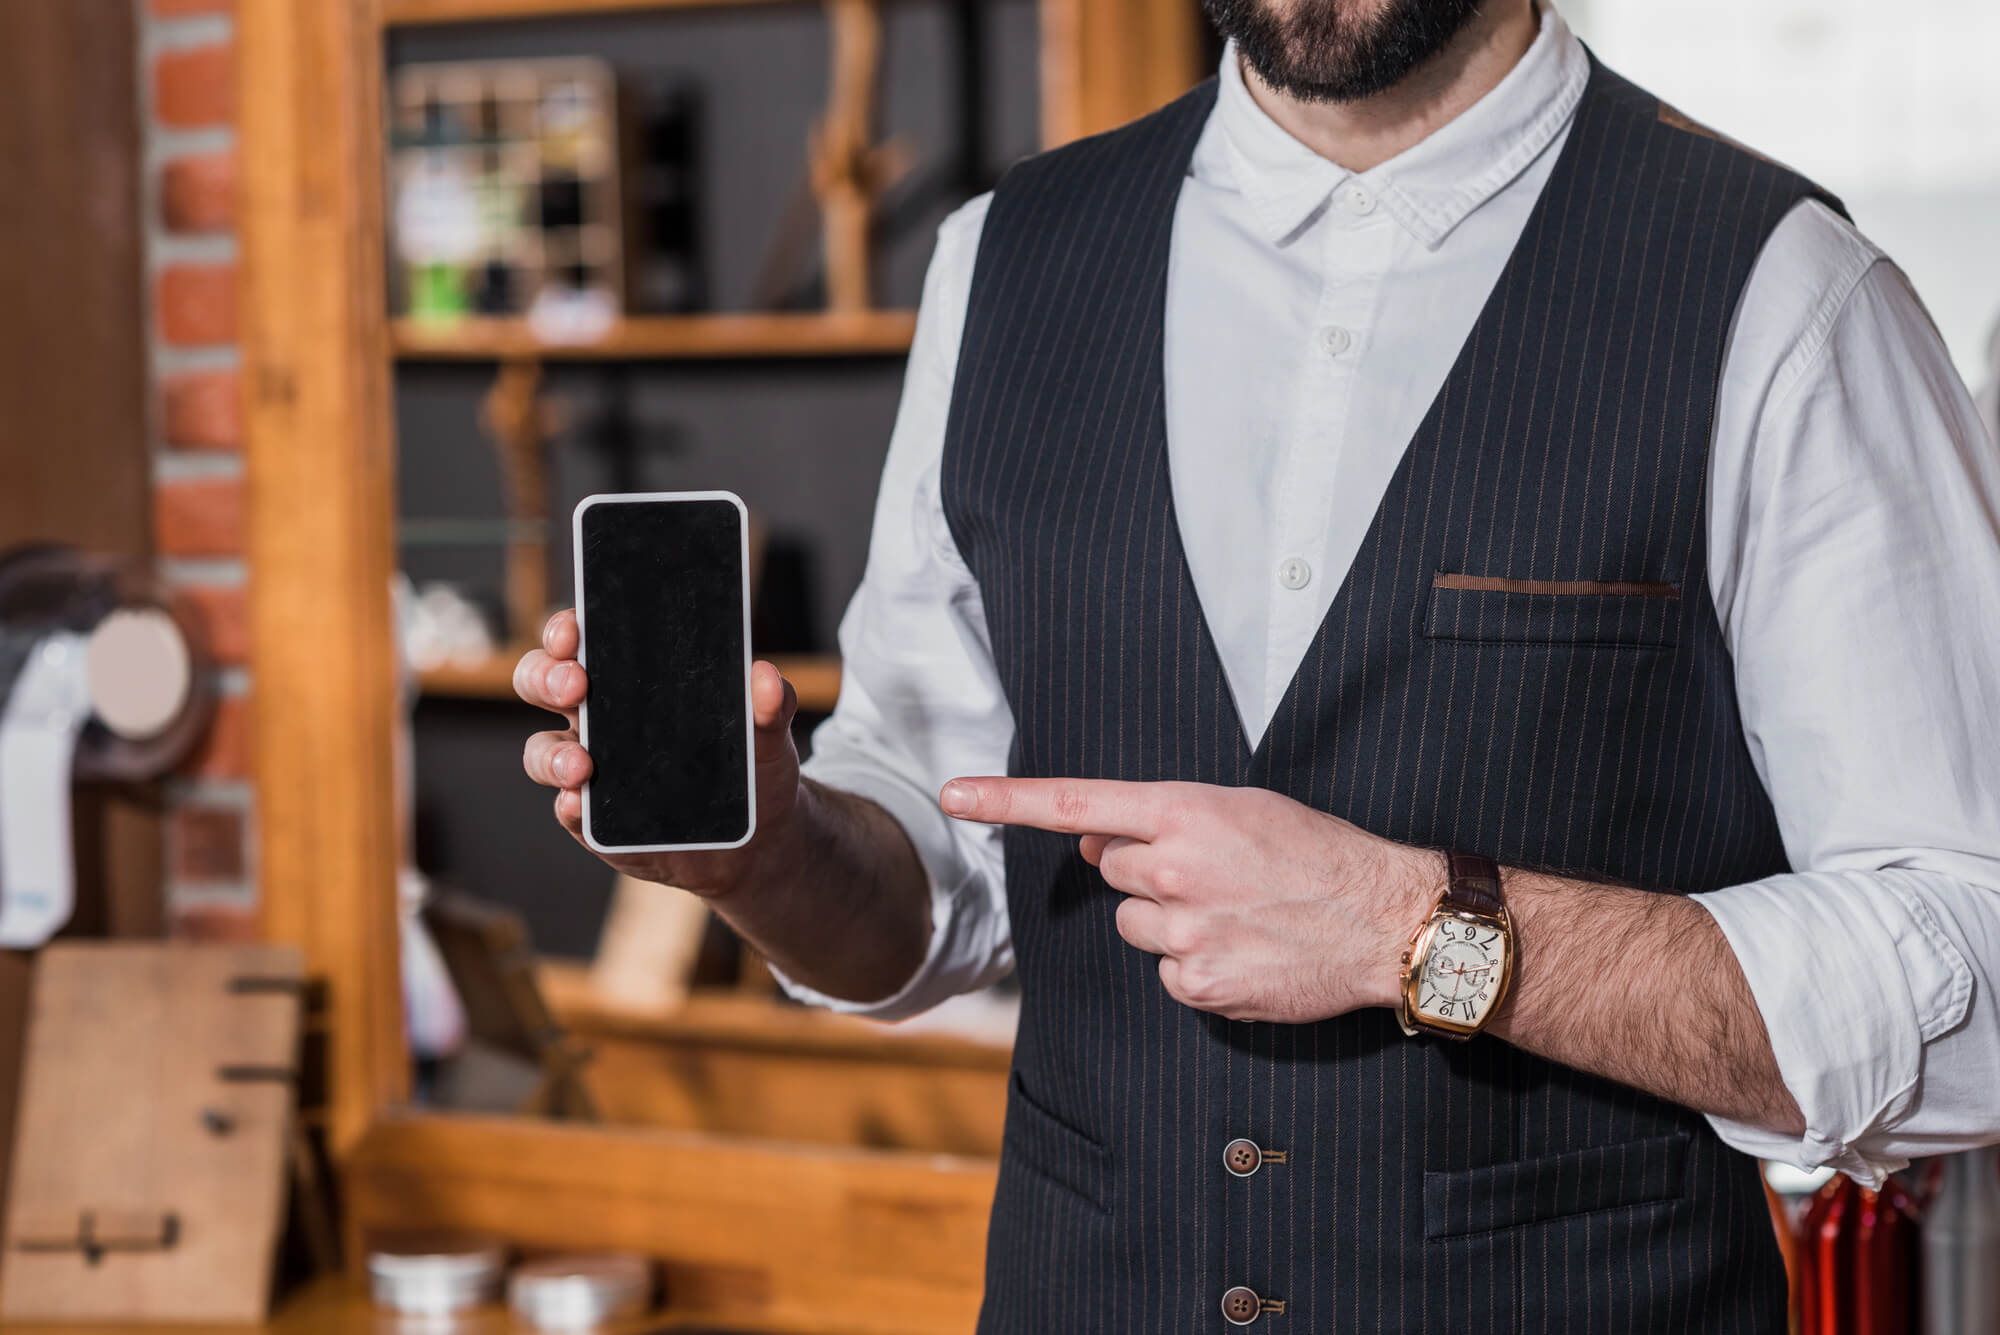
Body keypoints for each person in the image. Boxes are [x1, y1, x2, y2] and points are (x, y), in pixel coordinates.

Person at [517, 0, 2000, 1327]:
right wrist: (772, 854)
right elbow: (940, 872)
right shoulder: (1001, 260)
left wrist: (1415, 930)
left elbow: (1976, 973)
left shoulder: (1787, 293)